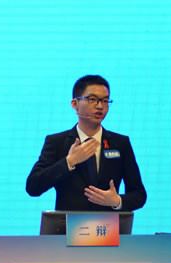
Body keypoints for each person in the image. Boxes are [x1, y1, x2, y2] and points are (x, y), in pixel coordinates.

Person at [26, 74, 146, 212]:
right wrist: (69, 161)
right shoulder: (57, 142)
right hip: (68, 224)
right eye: (92, 99)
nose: (100, 106)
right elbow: (33, 187)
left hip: (106, 224)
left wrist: (117, 201)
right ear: (75, 104)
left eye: (105, 100)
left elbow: (139, 194)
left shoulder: (120, 143)